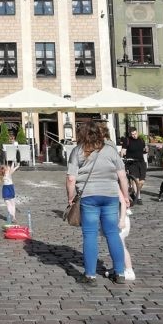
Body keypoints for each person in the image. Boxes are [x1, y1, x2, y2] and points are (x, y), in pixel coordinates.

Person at [66, 121, 130, 285]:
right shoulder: (110, 149)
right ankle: (120, 272)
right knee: (112, 233)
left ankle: (90, 275)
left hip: (89, 197)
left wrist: (70, 197)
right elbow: (122, 176)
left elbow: (71, 178)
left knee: (90, 234)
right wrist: (126, 195)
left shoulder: (78, 151)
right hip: (110, 196)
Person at [119, 127, 147, 205]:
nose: (134, 135)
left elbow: (144, 150)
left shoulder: (141, 140)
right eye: (132, 134)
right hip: (131, 162)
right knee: (136, 180)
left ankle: (134, 192)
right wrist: (122, 157)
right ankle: (138, 197)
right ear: (130, 134)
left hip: (141, 162)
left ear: (137, 132)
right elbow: (123, 151)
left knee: (142, 181)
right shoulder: (127, 140)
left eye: (135, 134)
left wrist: (146, 150)